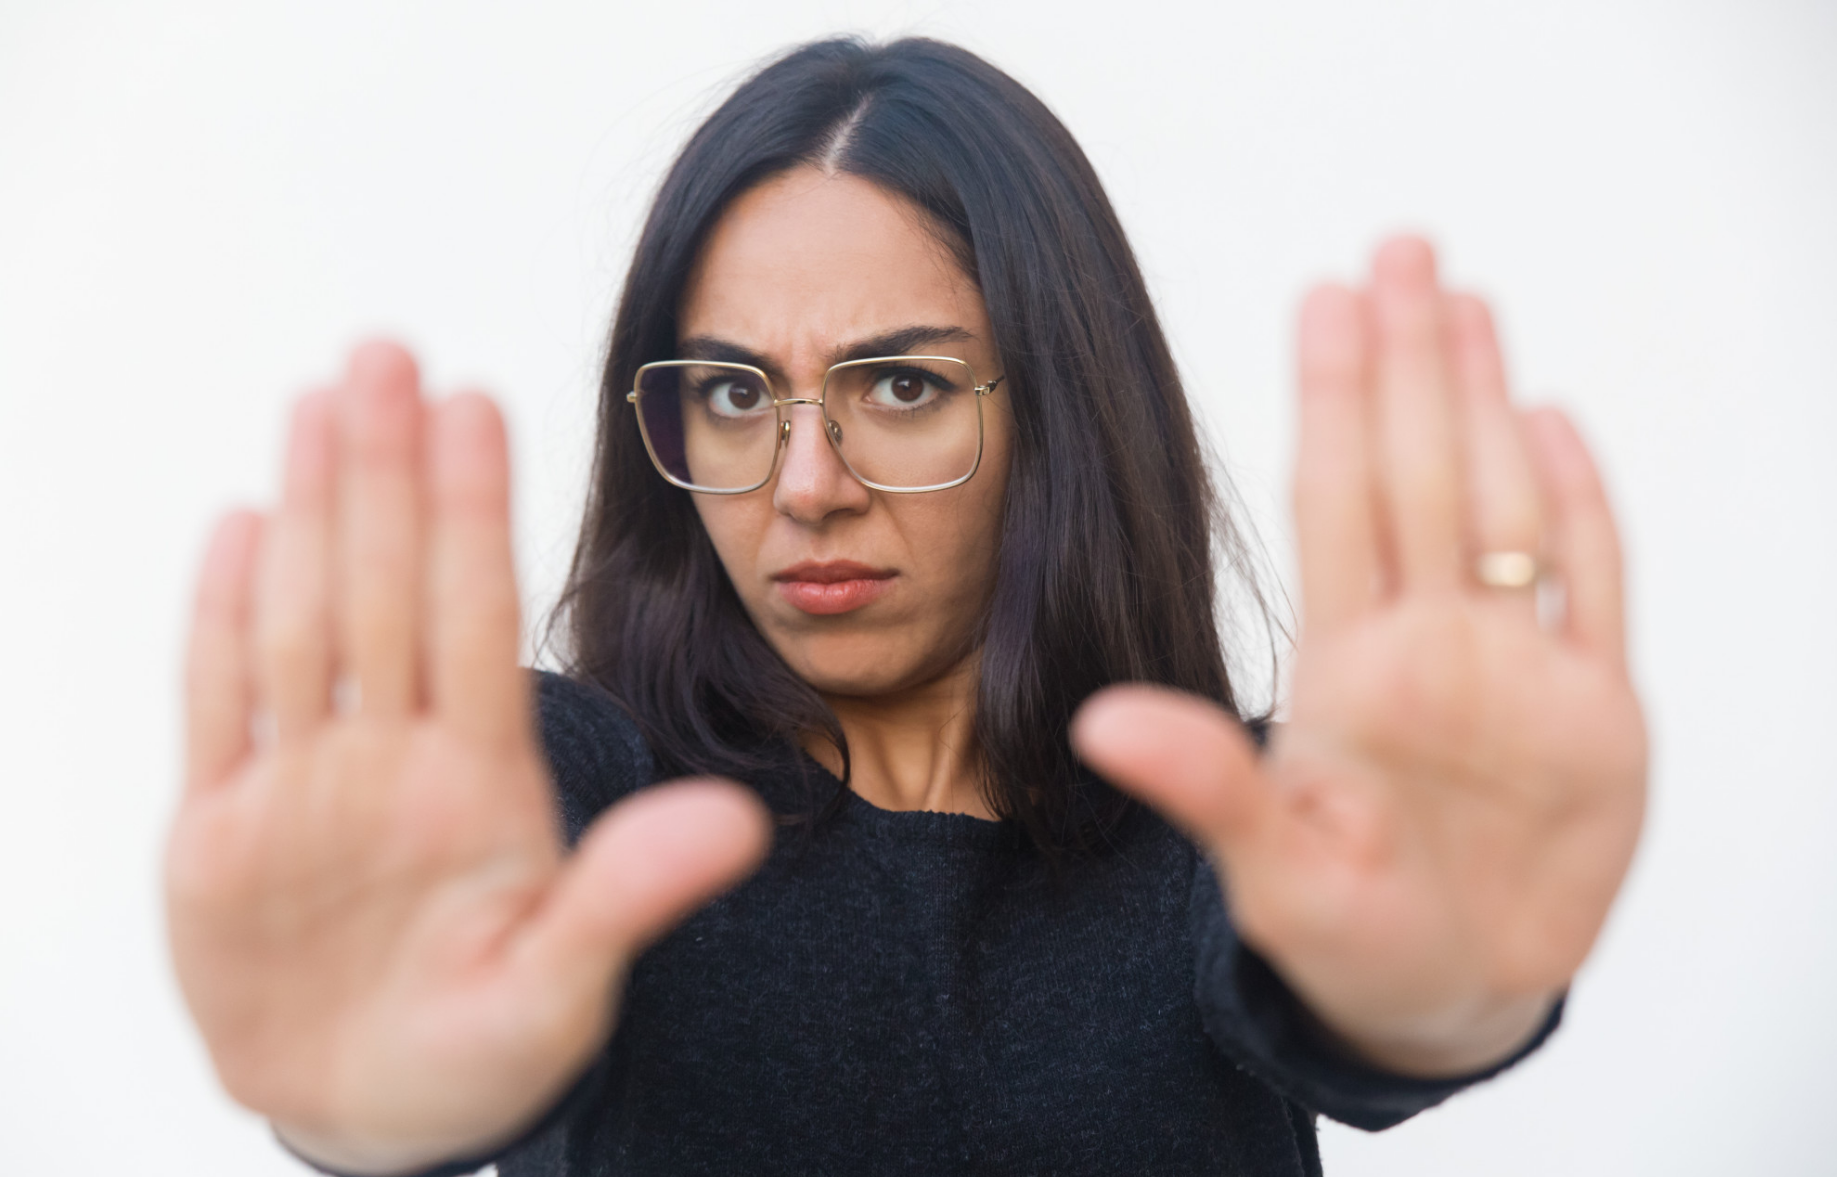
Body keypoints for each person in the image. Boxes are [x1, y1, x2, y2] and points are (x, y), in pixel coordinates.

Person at [166, 36, 1648, 1177]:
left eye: (903, 384)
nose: (805, 483)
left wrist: (1440, 1004)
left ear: (1059, 419)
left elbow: (1353, 993)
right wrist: (366, 1113)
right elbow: (423, 1026)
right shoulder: (570, 793)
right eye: (737, 394)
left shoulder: (1238, 831)